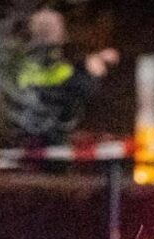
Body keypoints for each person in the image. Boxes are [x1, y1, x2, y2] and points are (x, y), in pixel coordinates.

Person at [9, 8, 119, 147]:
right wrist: (92, 73)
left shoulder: (25, 60)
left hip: (28, 134)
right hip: (43, 138)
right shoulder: (46, 62)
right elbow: (71, 89)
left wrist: (89, 63)